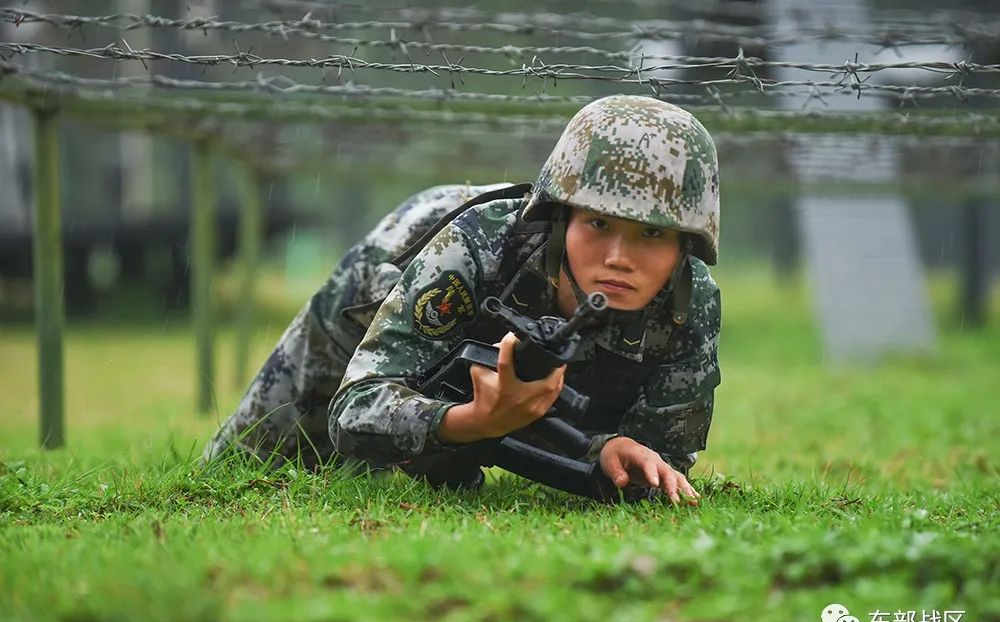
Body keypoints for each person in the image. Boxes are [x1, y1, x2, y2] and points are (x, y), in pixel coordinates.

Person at [204, 95, 721, 505]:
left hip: (499, 370)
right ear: (560, 218)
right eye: (599, 224)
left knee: (436, 472)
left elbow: (658, 465)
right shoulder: (477, 247)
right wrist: (473, 422)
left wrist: (607, 450)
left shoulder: (690, 302)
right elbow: (355, 407)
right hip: (390, 276)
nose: (619, 257)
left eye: (651, 234)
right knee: (244, 468)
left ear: (685, 246)